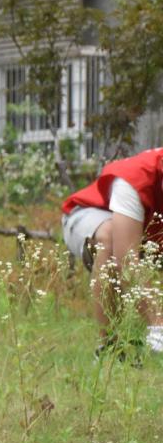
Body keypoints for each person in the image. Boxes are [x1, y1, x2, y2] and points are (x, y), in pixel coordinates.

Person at [61, 147, 163, 356]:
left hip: (146, 233)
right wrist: (158, 323)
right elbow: (125, 262)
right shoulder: (136, 176)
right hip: (92, 216)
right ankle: (110, 349)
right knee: (109, 239)